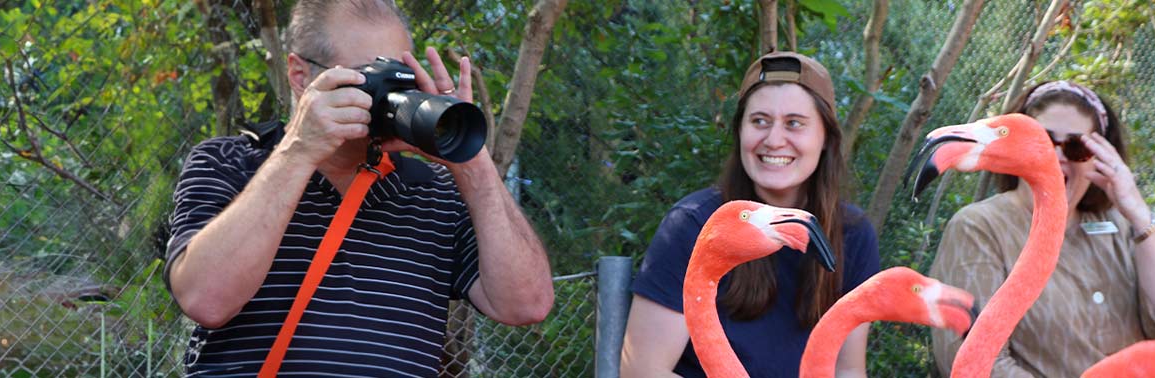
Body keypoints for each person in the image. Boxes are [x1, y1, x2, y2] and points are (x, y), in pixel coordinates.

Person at [163, 1, 553, 375]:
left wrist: (469, 161)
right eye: (371, 76)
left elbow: (527, 304)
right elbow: (205, 299)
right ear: (300, 76)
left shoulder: (435, 190)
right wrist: (299, 153)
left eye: (401, 75)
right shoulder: (230, 162)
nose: (390, 96)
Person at [620, 51, 881, 377]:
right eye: (759, 121)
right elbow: (642, 371)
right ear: (740, 132)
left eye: (794, 123)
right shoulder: (692, 226)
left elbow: (848, 370)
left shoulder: (853, 235)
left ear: (826, 137)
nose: (773, 140)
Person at [930, 80, 1155, 377]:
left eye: (1076, 146)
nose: (1055, 156)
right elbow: (975, 363)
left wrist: (1137, 211)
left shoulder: (1119, 226)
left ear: (1099, 156)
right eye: (1043, 141)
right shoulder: (979, 227)